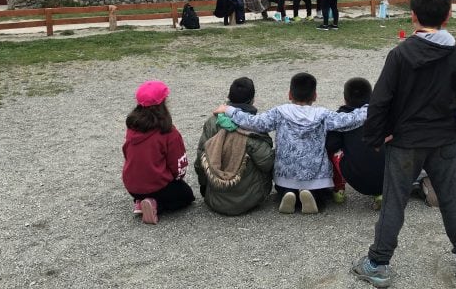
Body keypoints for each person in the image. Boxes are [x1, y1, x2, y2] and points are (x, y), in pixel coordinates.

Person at [352, 0, 456, 288]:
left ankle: (377, 263)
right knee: (452, 200)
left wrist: (375, 137)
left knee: (394, 202)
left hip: (406, 142)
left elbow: (381, 100)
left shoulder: (399, 55)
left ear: (412, 16)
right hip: (443, 140)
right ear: (448, 15)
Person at [213, 72, 368, 215]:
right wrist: (370, 108)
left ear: (289, 94)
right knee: (321, 192)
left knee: (285, 188)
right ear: (315, 95)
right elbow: (349, 120)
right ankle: (312, 196)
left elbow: (254, 123)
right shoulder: (322, 115)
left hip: (285, 176)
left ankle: (287, 194)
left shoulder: (280, 112)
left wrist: (229, 110)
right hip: (315, 176)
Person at [194, 77, 275, 216]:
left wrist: (204, 186)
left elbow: (200, 159)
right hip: (251, 199)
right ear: (252, 100)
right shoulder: (253, 125)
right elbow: (267, 163)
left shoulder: (212, 122)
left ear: (228, 97)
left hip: (215, 198)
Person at [121, 80, 195, 225]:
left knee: (149, 184)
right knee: (186, 196)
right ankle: (155, 204)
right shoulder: (168, 132)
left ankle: (140, 201)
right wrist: (177, 179)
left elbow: (126, 152)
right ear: (163, 103)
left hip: (132, 186)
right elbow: (179, 163)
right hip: (158, 186)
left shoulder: (132, 129)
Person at [325, 77, 387, 210]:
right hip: (391, 178)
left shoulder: (341, 118)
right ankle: (380, 194)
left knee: (333, 150)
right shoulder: (382, 113)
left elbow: (331, 145)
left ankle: (339, 189)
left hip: (359, 181)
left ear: (345, 98)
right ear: (372, 96)